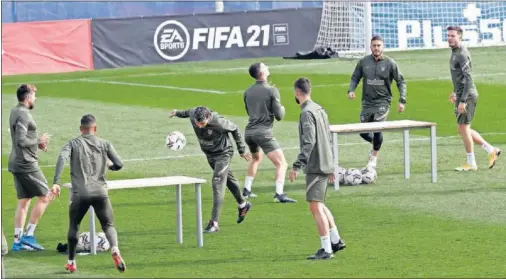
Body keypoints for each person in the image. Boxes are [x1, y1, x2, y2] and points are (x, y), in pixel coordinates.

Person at [52, 114, 126, 273]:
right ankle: (114, 249)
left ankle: (71, 262)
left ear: (81, 129)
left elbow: (61, 158)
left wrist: (56, 182)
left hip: (80, 194)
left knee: (74, 226)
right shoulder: (105, 143)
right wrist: (110, 167)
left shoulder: (72, 143)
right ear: (95, 128)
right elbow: (119, 164)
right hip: (101, 192)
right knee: (108, 225)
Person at [170, 106, 253, 233]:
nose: (199, 126)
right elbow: (186, 112)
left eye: (202, 123)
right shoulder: (194, 114)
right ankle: (243, 204)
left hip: (223, 154)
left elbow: (235, 128)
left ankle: (214, 222)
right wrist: (176, 113)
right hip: (210, 155)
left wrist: (242, 150)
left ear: (208, 117)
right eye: (197, 123)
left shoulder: (218, 122)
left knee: (217, 183)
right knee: (228, 180)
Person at [288, 77, 346, 260]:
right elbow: (328, 138)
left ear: (297, 92)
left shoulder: (306, 113)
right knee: (320, 204)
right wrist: (331, 164)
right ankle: (336, 240)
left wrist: (297, 165)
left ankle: (326, 249)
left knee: (315, 208)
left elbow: (309, 141)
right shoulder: (319, 109)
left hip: (316, 165)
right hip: (325, 163)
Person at [347, 35, 407, 169]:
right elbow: (355, 77)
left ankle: (374, 156)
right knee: (363, 131)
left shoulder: (390, 63)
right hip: (367, 103)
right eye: (374, 46)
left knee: (377, 128)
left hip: (383, 102)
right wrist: (351, 90)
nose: (376, 48)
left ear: (383, 47)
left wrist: (402, 100)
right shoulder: (363, 62)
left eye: (379, 45)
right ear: (370, 47)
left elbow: (401, 81)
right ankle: (376, 145)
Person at [446, 26, 501, 171]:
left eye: (453, 36)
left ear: (460, 37)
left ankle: (471, 163)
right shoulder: (455, 52)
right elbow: (460, 78)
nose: (450, 38)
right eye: (448, 35)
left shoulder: (462, 54)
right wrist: (455, 92)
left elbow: (468, 78)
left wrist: (463, 99)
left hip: (468, 95)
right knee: (463, 128)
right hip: (463, 94)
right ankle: (491, 150)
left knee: (463, 128)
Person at [8, 84, 54, 252]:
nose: (35, 99)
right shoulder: (23, 114)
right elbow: (21, 140)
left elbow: (22, 139)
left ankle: (17, 242)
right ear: (27, 98)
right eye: (34, 96)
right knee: (46, 196)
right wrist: (38, 141)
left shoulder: (15, 111)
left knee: (24, 201)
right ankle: (29, 235)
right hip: (26, 163)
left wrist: (37, 145)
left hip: (18, 161)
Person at [242, 62, 296, 203]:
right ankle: (279, 194)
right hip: (263, 133)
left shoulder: (247, 91)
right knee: (282, 164)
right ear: (262, 72)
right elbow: (279, 116)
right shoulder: (271, 90)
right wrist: (282, 107)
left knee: (256, 158)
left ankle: (246, 190)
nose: (267, 66)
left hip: (249, 133)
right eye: (264, 66)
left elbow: (250, 112)